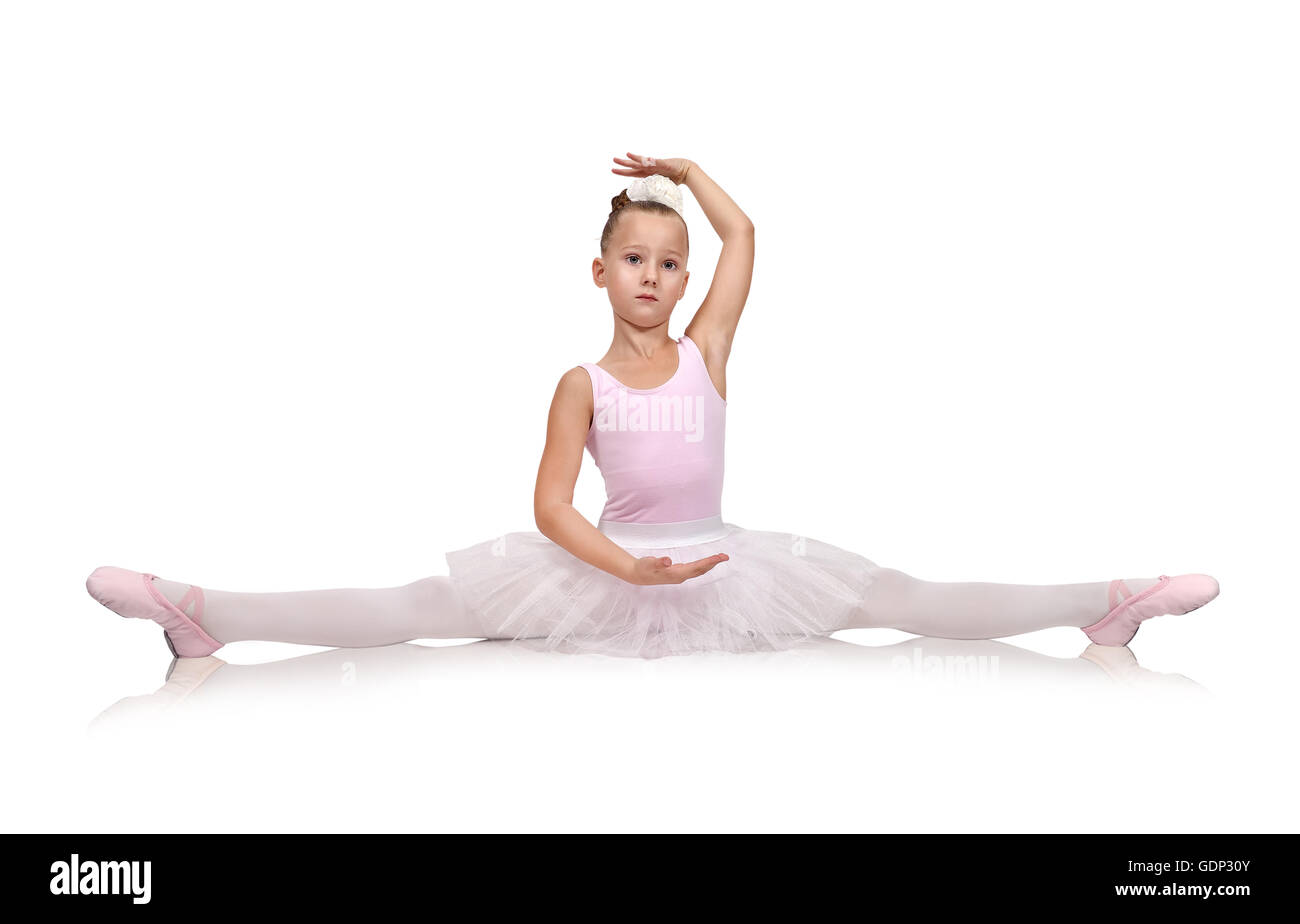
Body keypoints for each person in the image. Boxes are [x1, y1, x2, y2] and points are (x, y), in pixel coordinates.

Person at [86, 152, 1220, 661]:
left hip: (725, 563)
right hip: (605, 568)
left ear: (685, 284)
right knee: (418, 607)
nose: (654, 275)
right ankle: (204, 610)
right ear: (600, 272)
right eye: (634, 257)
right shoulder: (578, 384)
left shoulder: (705, 353)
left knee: (901, 598)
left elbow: (747, 234)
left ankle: (1109, 601)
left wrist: (685, 170)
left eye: (670, 263)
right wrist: (626, 571)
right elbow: (548, 507)